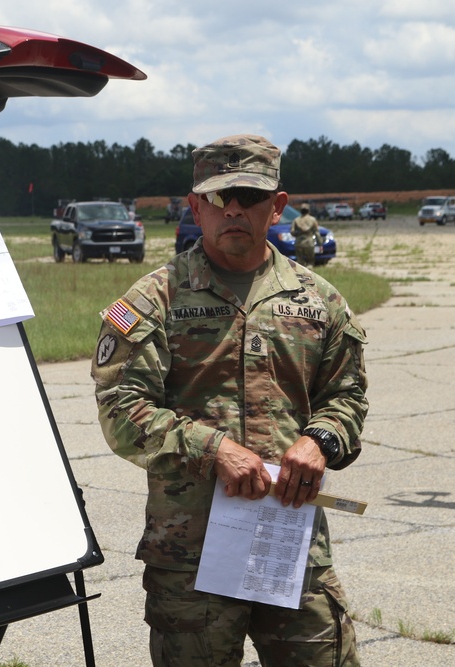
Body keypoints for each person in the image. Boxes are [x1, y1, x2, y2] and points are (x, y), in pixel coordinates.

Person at [92, 134, 368, 666]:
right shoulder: (155, 299)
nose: (234, 208)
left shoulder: (319, 301)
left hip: (289, 539)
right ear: (196, 206)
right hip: (190, 550)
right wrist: (213, 449)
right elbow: (122, 409)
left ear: (278, 206)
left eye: (250, 195)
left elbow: (347, 394)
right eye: (219, 197)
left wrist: (320, 440)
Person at [291, 202, 320, 266]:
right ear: (308, 211)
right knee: (310, 262)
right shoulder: (313, 219)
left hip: (299, 243)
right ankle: (309, 274)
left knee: (300, 262)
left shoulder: (296, 220)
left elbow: (292, 232)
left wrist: (298, 233)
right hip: (309, 242)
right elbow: (316, 232)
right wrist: (320, 243)